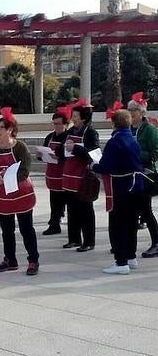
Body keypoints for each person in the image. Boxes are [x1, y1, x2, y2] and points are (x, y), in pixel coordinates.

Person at [0, 107, 39, 276]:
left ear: (10, 130)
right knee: (7, 230)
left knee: (26, 228)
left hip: (21, 193)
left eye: (0, 128)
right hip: (2, 195)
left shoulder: (20, 147)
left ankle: (33, 260)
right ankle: (10, 259)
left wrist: (8, 178)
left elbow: (25, 171)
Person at [92, 108, 144, 274]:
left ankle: (121, 262)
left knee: (118, 224)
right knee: (131, 224)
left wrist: (93, 165)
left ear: (114, 123)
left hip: (120, 187)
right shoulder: (133, 138)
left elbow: (106, 166)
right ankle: (131, 257)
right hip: (136, 185)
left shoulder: (114, 141)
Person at [62, 98, 100, 252]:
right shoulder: (70, 131)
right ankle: (74, 238)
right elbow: (64, 150)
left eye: (76, 116)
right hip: (69, 175)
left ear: (83, 118)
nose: (73, 119)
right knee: (72, 209)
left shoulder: (91, 132)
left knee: (85, 210)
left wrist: (76, 148)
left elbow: (94, 154)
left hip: (83, 177)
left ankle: (89, 241)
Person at [128, 92, 158, 258]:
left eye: (135, 109)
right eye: (130, 109)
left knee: (146, 211)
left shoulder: (149, 130)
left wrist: (137, 154)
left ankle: (156, 242)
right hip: (130, 175)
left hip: (145, 176)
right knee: (133, 211)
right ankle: (129, 245)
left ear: (142, 112)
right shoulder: (128, 128)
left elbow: (155, 153)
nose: (131, 112)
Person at [37, 108, 70, 236]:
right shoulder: (50, 137)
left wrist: (60, 157)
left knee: (66, 201)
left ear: (65, 124)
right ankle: (54, 224)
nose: (55, 126)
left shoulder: (68, 137)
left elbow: (71, 155)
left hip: (64, 173)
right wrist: (40, 155)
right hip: (52, 173)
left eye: (58, 123)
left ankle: (60, 223)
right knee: (54, 200)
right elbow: (45, 151)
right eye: (54, 123)